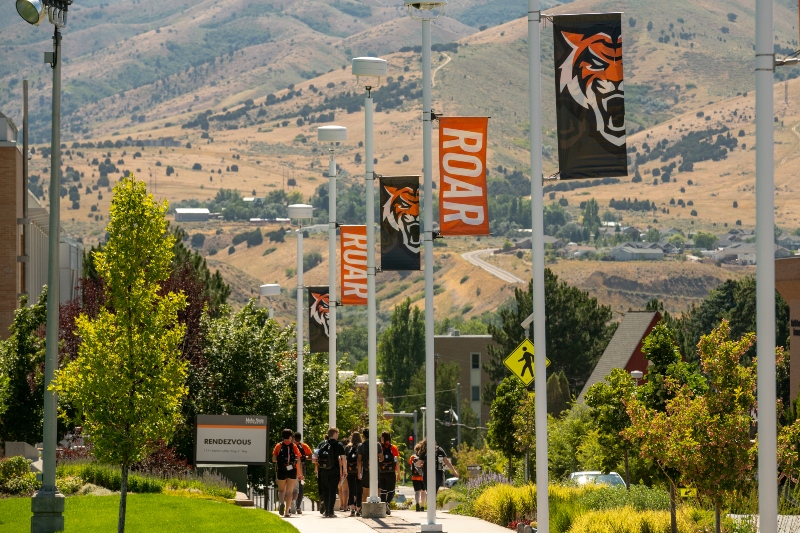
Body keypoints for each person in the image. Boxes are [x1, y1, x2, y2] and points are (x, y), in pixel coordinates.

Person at [272, 428, 303, 518]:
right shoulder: (294, 446)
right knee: (289, 492)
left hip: (281, 470)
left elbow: (273, 459)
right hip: (292, 470)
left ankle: (281, 503)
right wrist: (299, 473)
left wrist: (281, 462)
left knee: (282, 490)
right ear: (290, 437)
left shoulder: (278, 445)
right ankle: (286, 512)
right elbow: (298, 460)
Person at [317, 427, 347, 518]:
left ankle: (326, 511)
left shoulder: (322, 444)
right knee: (333, 490)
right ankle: (331, 511)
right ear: (335, 434)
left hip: (323, 470)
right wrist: (345, 470)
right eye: (337, 434)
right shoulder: (338, 444)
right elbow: (343, 458)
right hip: (334, 470)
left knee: (325, 490)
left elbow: (315, 457)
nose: (338, 435)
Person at [416, 438, 455, 508]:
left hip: (427, 475)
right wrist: (454, 471)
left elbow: (418, 464)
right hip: (438, 474)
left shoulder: (424, 451)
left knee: (430, 492)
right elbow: (446, 461)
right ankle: (432, 506)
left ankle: (431, 507)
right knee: (434, 491)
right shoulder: (440, 450)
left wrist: (422, 465)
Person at [356, 427, 379, 516]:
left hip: (366, 470)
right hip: (376, 471)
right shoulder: (377, 444)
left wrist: (359, 472)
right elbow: (381, 457)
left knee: (365, 491)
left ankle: (363, 509)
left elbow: (359, 460)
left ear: (364, 436)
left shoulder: (361, 446)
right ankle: (376, 508)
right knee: (377, 490)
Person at [377, 431, 400, 515]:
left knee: (383, 491)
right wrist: (398, 473)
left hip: (382, 472)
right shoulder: (393, 448)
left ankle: (383, 508)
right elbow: (396, 462)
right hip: (391, 472)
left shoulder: (379, 447)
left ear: (382, 438)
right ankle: (387, 504)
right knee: (391, 491)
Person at [291, 432, 313, 514]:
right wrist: (304, 457)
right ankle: (298, 507)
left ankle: (291, 504)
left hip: (292, 469)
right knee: (301, 488)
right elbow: (311, 456)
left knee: (291, 487)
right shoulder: (304, 446)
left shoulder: (291, 446)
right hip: (302, 469)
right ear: (300, 438)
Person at [345, 431, 362, 516]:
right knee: (359, 489)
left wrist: (345, 470)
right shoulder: (361, 446)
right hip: (359, 470)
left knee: (351, 489)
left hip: (350, 470)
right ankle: (358, 508)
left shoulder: (348, 447)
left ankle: (352, 508)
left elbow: (345, 459)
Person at [409, 443, 426, 512]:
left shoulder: (412, 457)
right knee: (423, 491)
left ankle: (417, 504)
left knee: (417, 491)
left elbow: (411, 465)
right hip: (423, 477)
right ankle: (422, 506)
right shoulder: (424, 456)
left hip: (415, 477)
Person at [338, 436, 350, 511]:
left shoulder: (339, 450)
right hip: (346, 470)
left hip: (339, 470)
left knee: (340, 488)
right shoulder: (348, 450)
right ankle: (345, 506)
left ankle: (341, 505)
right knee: (345, 489)